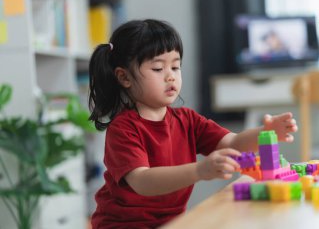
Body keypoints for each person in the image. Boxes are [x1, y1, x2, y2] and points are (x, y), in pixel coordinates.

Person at [88, 19, 298, 229]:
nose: (170, 76)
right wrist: (200, 170)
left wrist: (266, 132)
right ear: (124, 77)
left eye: (175, 66)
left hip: (171, 223)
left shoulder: (187, 120)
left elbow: (233, 143)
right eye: (158, 68)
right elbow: (142, 181)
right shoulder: (123, 129)